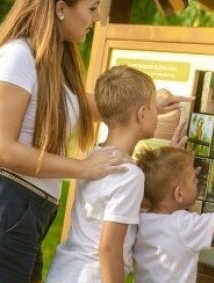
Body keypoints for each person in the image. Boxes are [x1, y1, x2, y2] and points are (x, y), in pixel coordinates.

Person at [0, 0, 191, 282]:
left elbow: (91, 105)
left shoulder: (54, 66)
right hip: (1, 209)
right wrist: (83, 168)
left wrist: (147, 106)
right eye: (91, 8)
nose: (95, 18)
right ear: (61, 8)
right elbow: (1, 148)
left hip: (23, 214)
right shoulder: (17, 57)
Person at [46, 65, 160, 282]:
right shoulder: (130, 175)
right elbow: (108, 249)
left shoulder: (95, 157)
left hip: (64, 271)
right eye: (154, 107)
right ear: (142, 114)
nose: (157, 114)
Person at [133, 128, 214, 283]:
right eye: (193, 179)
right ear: (178, 194)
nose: (197, 179)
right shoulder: (184, 226)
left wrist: (169, 165)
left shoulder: (141, 218)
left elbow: (159, 185)